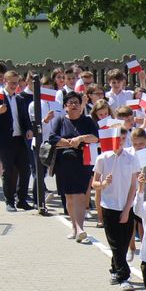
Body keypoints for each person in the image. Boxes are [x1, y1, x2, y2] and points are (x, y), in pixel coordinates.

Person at [92, 131, 141, 290]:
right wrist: (103, 184)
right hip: (109, 206)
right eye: (117, 139)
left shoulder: (131, 158)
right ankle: (123, 276)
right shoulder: (103, 158)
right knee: (115, 243)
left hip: (126, 205)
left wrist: (127, 209)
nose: (120, 142)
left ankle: (115, 269)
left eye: (123, 139)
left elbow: (133, 186)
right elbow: (94, 183)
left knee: (124, 243)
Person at [49, 92, 99, 241]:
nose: (74, 105)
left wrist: (81, 138)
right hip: (63, 164)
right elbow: (53, 138)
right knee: (69, 197)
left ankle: (80, 228)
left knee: (80, 195)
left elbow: (95, 137)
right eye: (70, 103)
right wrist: (70, 142)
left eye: (76, 102)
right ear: (65, 106)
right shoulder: (60, 120)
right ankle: (74, 227)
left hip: (83, 163)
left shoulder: (87, 121)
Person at [0, 70, 34, 212]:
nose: (15, 85)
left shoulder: (19, 99)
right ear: (5, 82)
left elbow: (25, 118)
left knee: (25, 170)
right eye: (12, 83)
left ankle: (22, 200)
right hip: (4, 140)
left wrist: (28, 129)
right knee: (8, 171)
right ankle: (9, 201)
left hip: (19, 139)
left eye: (17, 82)